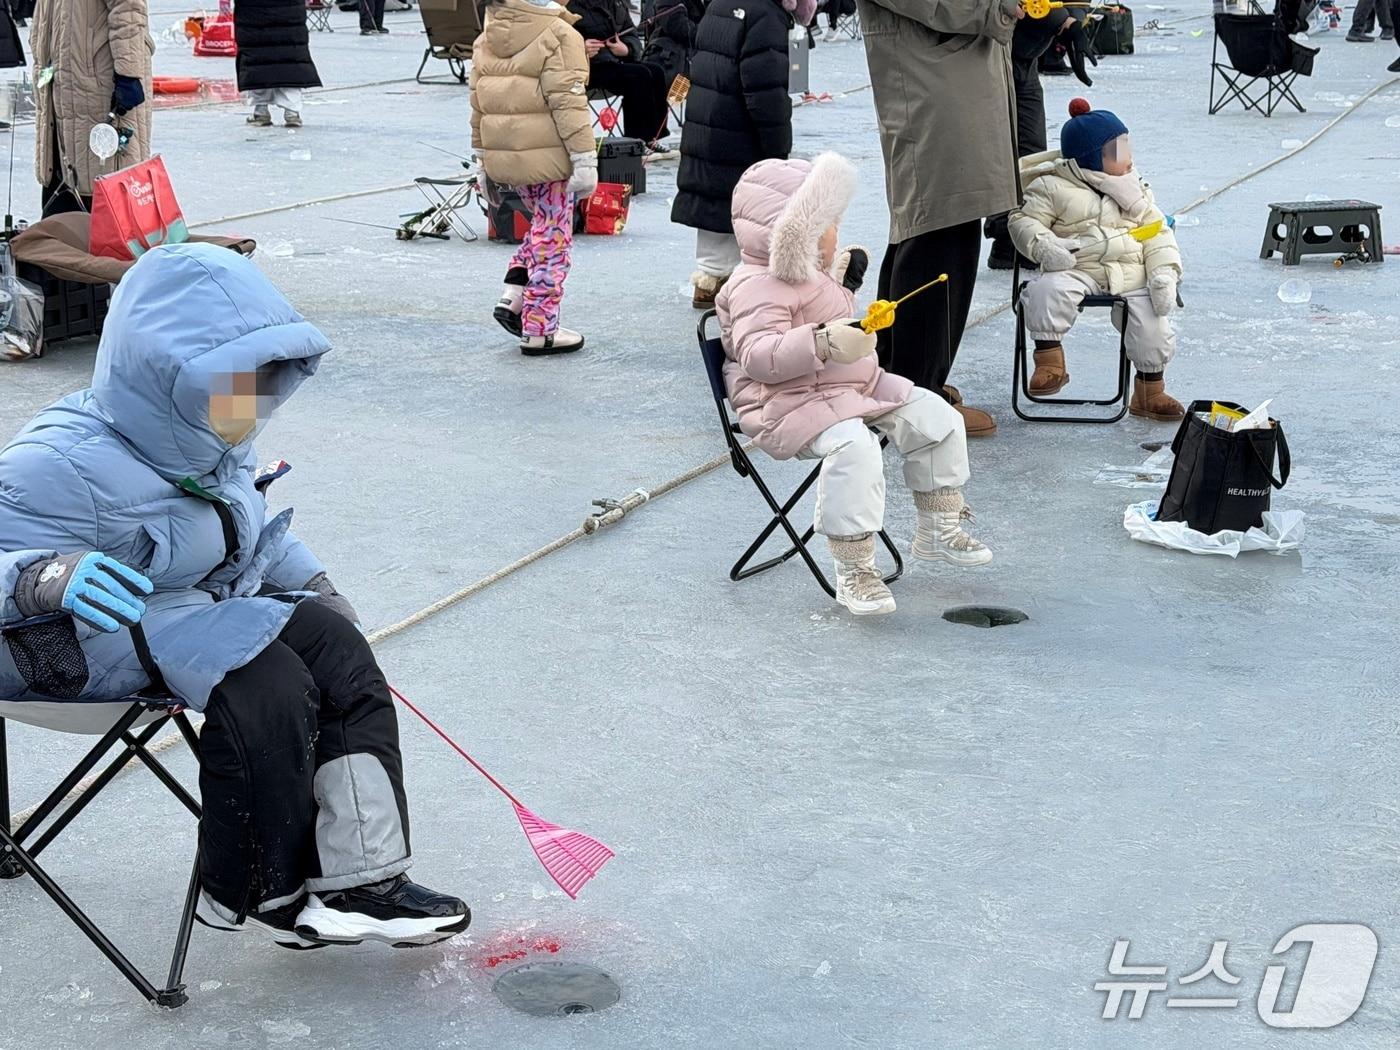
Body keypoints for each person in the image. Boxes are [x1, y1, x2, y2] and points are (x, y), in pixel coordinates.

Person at [0, 243, 470, 948]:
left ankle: (358, 880)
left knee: (335, 647)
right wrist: (43, 577)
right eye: (231, 381)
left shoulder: (211, 441)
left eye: (261, 380)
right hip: (52, 643)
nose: (250, 402)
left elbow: (246, 532)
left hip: (175, 619)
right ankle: (261, 889)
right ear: (163, 377)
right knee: (260, 668)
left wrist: (314, 586)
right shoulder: (59, 463)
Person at [715, 154, 992, 618]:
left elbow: (827, 317)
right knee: (855, 447)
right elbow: (759, 356)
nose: (833, 233)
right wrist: (822, 342)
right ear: (790, 234)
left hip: (851, 388)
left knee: (935, 415)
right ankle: (855, 567)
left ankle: (938, 524)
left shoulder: (811, 275)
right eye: (824, 226)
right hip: (786, 404)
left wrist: (847, 293)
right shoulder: (753, 287)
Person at [858, 0, 1021, 439]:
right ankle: (916, 395)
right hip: (930, 77)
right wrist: (994, 9)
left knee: (938, 224)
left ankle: (900, 378)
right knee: (936, 228)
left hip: (946, 72)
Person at [1009, 100, 1185, 423]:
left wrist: (1162, 274)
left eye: (1127, 147)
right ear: (1092, 157)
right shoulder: (1052, 186)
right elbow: (1022, 221)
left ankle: (1149, 390)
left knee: (1152, 319)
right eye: (1119, 151)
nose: (1129, 158)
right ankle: (1049, 361)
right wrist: (1046, 246)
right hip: (1076, 267)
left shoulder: (1137, 190)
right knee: (1046, 290)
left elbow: (1159, 234)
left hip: (1131, 273)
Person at [472, 0, 597, 355]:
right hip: (549, 155)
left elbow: (477, 102)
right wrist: (585, 158)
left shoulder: (490, 32)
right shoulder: (559, 34)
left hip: (507, 153)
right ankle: (540, 328)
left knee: (544, 226)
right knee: (554, 239)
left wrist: (483, 157)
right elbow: (569, 102)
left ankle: (513, 293)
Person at [673, 0, 813, 309]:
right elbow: (766, 92)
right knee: (746, 205)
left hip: (708, 120)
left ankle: (709, 280)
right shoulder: (767, 15)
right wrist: (778, 150)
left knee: (714, 200)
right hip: (738, 126)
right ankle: (739, 290)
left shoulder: (720, 4)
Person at [984, 9, 1097, 270]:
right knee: (1001, 151)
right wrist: (1062, 22)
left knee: (1032, 150)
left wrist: (1072, 24)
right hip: (991, 50)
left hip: (1026, 53)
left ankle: (1025, 235)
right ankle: (1005, 235)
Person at [30, 0, 151, 216]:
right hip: (63, 81)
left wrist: (128, 73)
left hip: (98, 83)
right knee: (63, 171)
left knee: (101, 174)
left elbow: (129, 9)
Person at [568, 0, 669, 145]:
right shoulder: (568, 6)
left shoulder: (616, 4)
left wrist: (626, 48)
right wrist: (580, 49)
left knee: (656, 71)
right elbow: (559, 39)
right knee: (638, 75)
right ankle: (637, 140)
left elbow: (631, 34)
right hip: (587, 68)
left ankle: (655, 137)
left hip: (614, 61)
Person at [235, 0, 322, 128]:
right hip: (290, 11)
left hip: (253, 11)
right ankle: (292, 111)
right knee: (290, 59)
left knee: (258, 58)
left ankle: (261, 110)